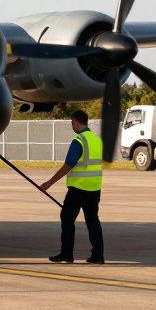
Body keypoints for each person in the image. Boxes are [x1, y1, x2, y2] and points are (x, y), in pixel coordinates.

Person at [39, 110, 105, 264]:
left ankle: (67, 254)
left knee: (67, 218)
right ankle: (98, 255)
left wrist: (49, 183)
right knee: (92, 220)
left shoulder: (79, 140)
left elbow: (68, 165)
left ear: (75, 122)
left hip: (78, 188)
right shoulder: (96, 140)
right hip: (94, 188)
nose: (72, 126)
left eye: (72, 123)